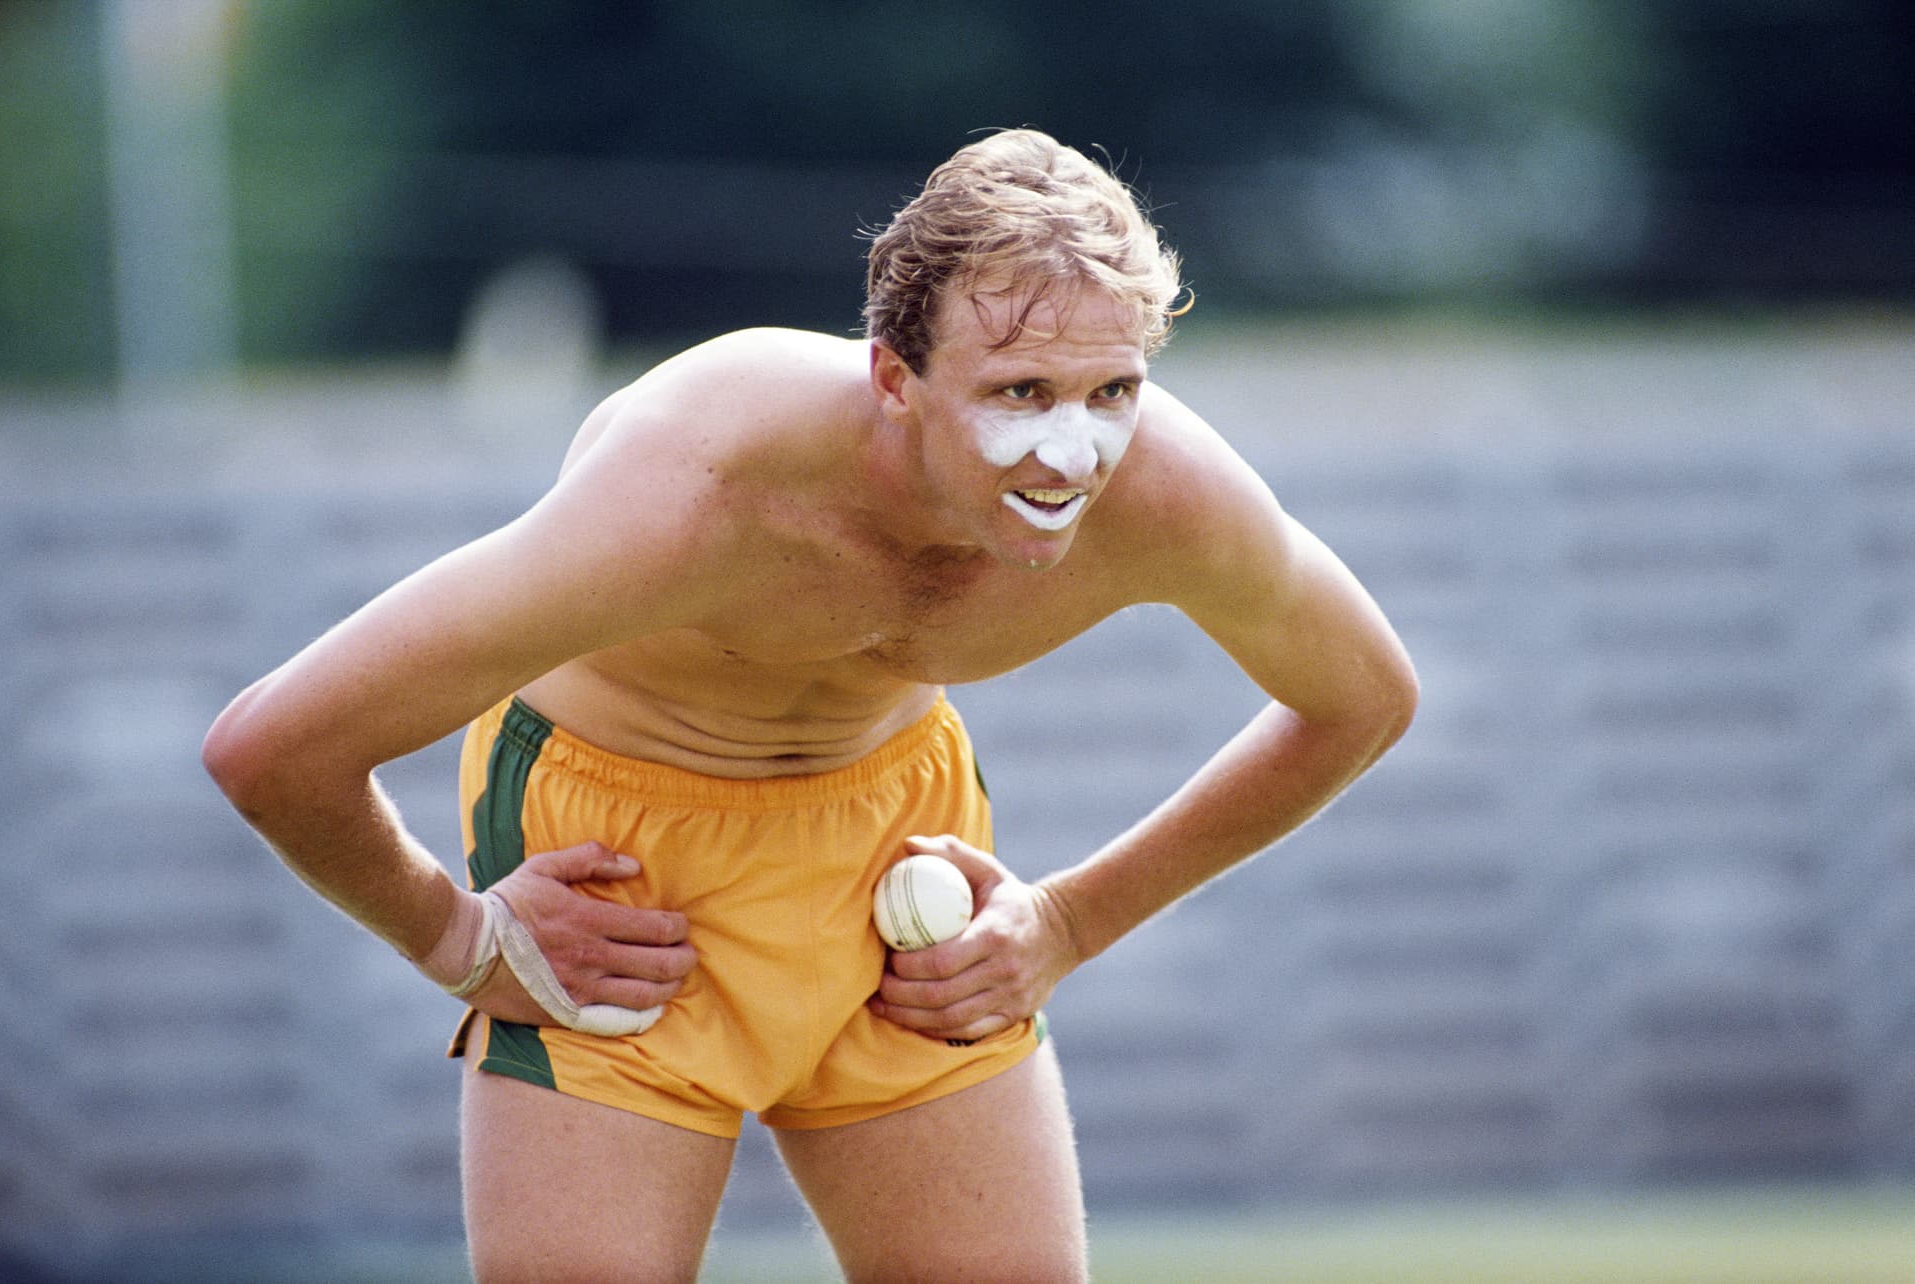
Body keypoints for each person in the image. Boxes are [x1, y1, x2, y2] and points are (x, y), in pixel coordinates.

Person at [203, 128, 1417, 1283]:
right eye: (1021, 389)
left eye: (1112, 392)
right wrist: (457, 939)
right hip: (622, 890)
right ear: (896, 377)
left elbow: (1362, 700)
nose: (1070, 453)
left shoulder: (1170, 495)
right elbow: (275, 746)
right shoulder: (700, 488)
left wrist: (1067, 925)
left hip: (900, 863)